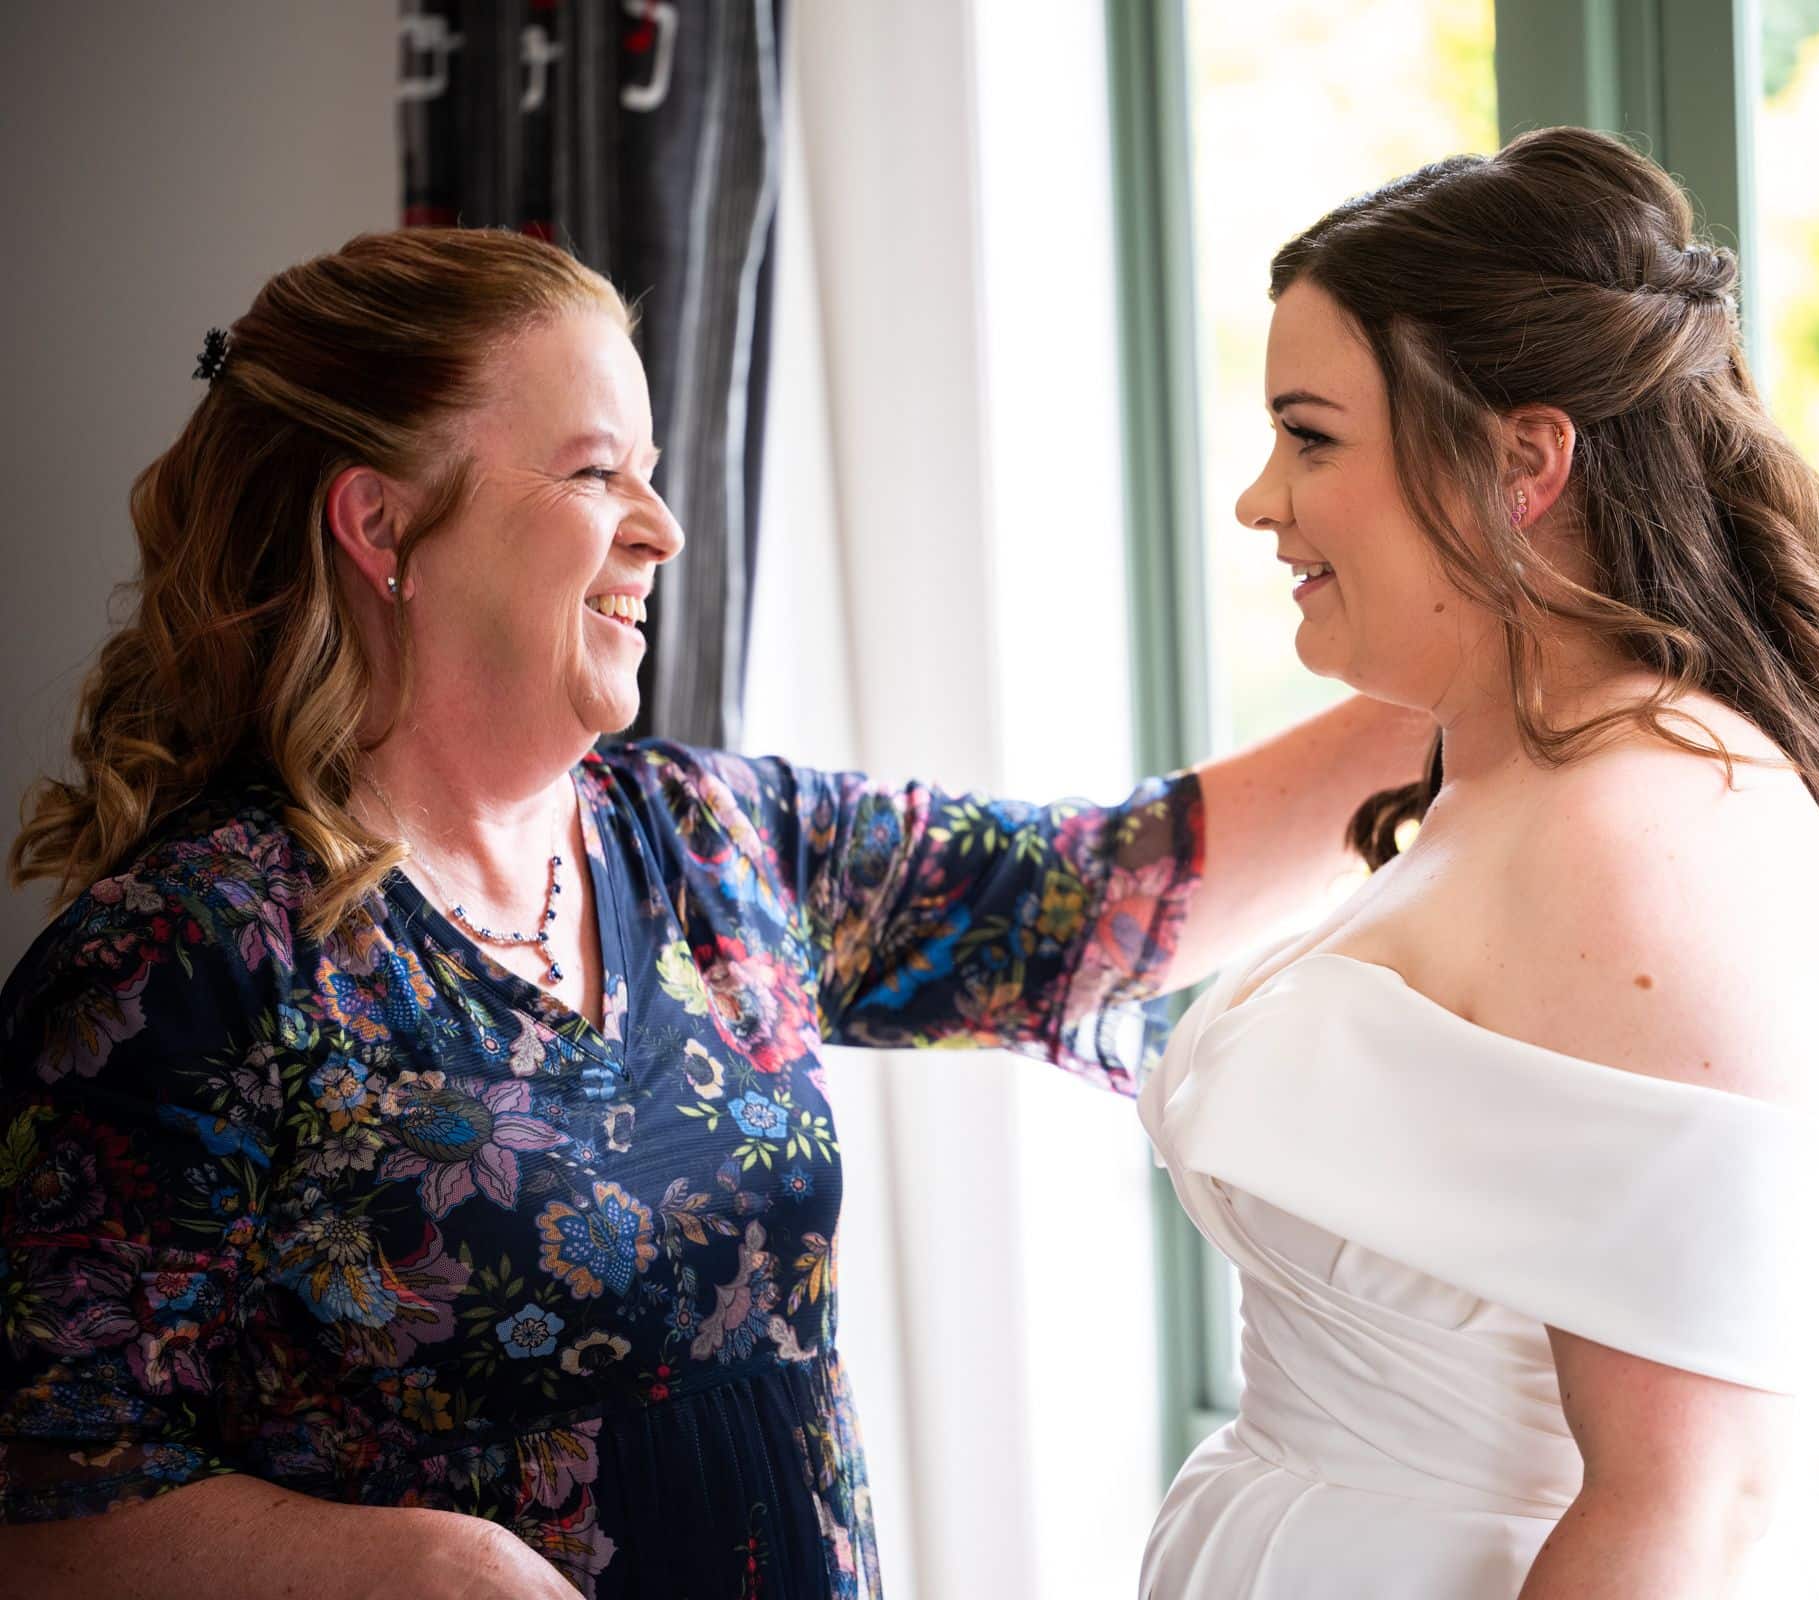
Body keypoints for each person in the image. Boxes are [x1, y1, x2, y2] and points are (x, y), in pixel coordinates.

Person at [0, 227, 1430, 1599]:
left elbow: (1101, 894)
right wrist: (399, 1568)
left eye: (654, 473)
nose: (664, 529)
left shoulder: (710, 841)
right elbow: (42, 1498)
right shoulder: (189, 961)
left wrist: (1495, 663)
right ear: (382, 524)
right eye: (593, 474)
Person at [1136, 125, 1819, 1599]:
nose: (1260, 501)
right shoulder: (1516, 770)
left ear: (1525, 458)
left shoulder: (1647, 839)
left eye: (1312, 436)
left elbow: (1685, 1509)